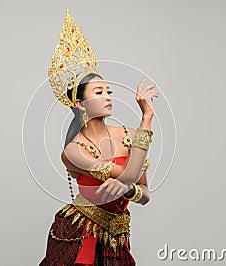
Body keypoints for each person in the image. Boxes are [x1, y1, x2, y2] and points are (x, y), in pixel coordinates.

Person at [39, 9, 158, 265]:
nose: (107, 96)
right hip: (80, 234)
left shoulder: (130, 135)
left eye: (108, 91)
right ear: (80, 104)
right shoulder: (73, 150)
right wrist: (146, 118)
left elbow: (146, 194)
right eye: (99, 92)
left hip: (118, 236)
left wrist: (131, 191)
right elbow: (127, 175)